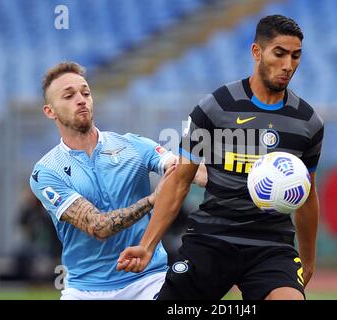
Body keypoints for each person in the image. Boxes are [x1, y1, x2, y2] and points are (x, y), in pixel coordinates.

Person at [117, 15, 324, 300]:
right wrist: (148, 245)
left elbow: (307, 196)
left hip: (272, 246)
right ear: (256, 52)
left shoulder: (308, 123)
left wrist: (309, 260)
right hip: (211, 239)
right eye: (280, 54)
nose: (288, 65)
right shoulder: (214, 107)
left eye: (296, 56)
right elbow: (180, 181)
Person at [29, 62, 206, 300]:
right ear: (50, 111)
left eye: (85, 93)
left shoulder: (131, 145)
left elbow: (185, 169)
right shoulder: (47, 172)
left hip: (147, 280)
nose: (81, 100)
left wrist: (235, 174)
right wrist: (154, 199)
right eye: (69, 95)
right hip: (84, 290)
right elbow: (98, 227)